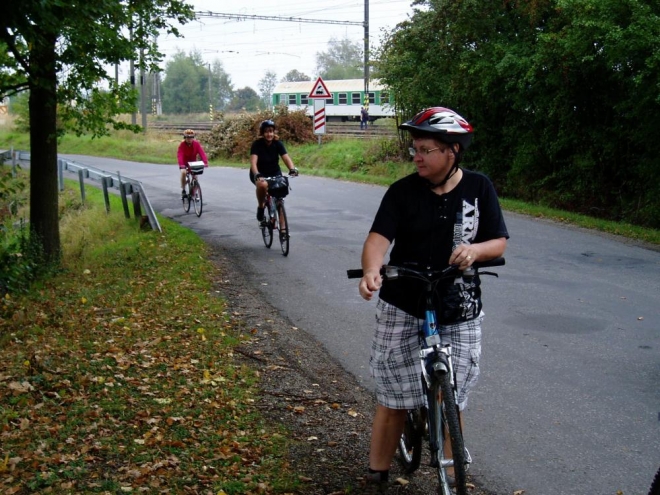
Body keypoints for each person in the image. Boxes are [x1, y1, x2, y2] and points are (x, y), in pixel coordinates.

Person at [356, 107, 509, 493]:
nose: (417, 157)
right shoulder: (401, 192)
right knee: (393, 394)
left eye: (425, 149)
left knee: (452, 390)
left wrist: (474, 251)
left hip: (458, 302)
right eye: (415, 149)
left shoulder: (479, 188)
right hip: (404, 298)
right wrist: (373, 270)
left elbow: (499, 242)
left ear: (452, 151)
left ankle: (454, 470)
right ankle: (378, 473)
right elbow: (377, 240)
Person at [249, 119, 299, 223]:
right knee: (262, 185)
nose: (269, 134)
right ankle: (261, 207)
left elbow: (286, 158)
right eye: (266, 131)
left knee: (279, 200)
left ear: (274, 132)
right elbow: (253, 162)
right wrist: (257, 174)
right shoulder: (257, 144)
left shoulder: (278, 144)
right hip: (259, 172)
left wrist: (292, 169)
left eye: (271, 131)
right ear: (262, 133)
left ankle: (283, 232)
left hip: (274, 172)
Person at [177, 129, 208, 198]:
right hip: (184, 163)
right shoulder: (182, 145)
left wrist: (205, 162)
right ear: (185, 138)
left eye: (191, 137)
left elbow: (202, 153)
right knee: (183, 173)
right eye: (187, 137)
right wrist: (181, 165)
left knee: (195, 176)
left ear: (193, 138)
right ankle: (183, 190)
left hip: (193, 163)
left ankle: (194, 192)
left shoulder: (196, 144)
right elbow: (180, 155)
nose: (189, 139)